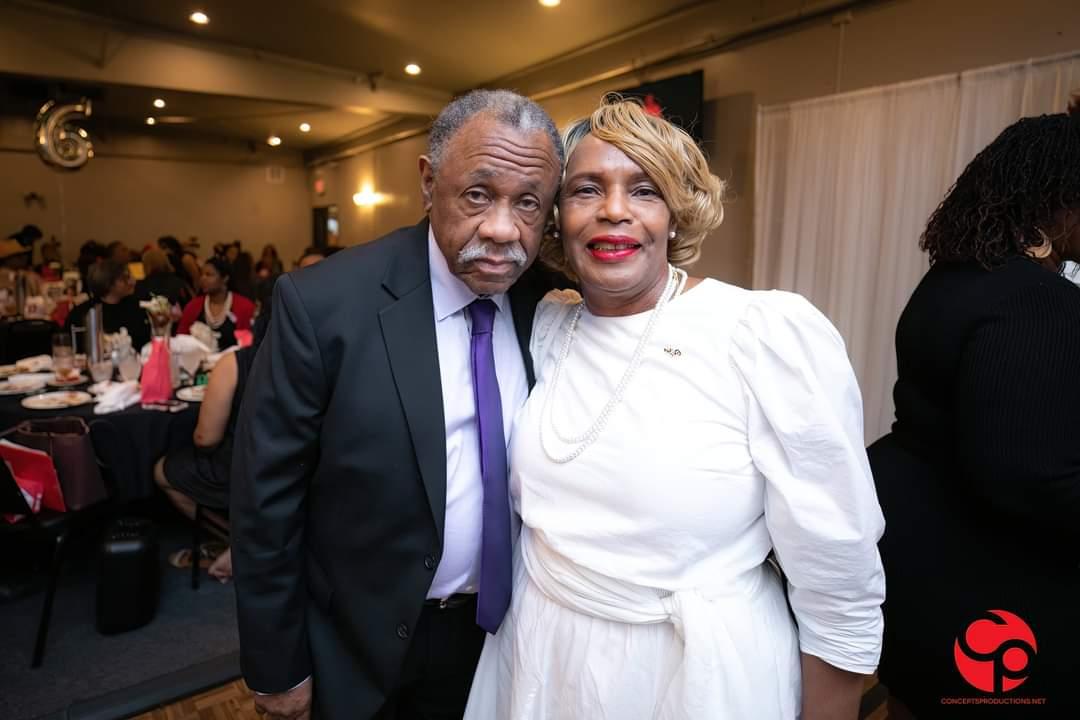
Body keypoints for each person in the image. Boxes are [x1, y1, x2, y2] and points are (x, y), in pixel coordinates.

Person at [464, 98, 885, 720]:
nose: (614, 210)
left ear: (675, 214)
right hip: (539, 658)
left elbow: (836, 564)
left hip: (697, 676)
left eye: (644, 190)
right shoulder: (548, 326)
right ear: (556, 218)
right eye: (586, 190)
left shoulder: (759, 333)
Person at [231, 89, 563, 720]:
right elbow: (266, 500)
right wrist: (277, 664)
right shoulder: (322, 304)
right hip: (358, 648)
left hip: (506, 639)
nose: (502, 229)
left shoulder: (548, 305)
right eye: (477, 194)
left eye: (527, 202)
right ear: (428, 181)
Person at [869, 109, 1080, 717]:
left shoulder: (950, 278)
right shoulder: (1039, 301)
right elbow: (1025, 476)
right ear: (1059, 203)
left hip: (909, 543)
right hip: (986, 573)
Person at [154, 316, 268, 583]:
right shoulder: (313, 363)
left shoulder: (236, 363)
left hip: (243, 468)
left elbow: (205, 438)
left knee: (162, 471)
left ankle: (240, 543)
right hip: (293, 468)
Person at [66, 259, 150, 349]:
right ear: (108, 284)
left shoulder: (138, 308)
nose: (133, 281)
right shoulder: (84, 313)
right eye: (125, 278)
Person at [177, 257, 255, 350]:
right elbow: (180, 339)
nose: (203, 279)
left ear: (225, 278)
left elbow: (248, 345)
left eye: (209, 275)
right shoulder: (193, 306)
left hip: (233, 358)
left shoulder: (244, 306)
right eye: (202, 274)